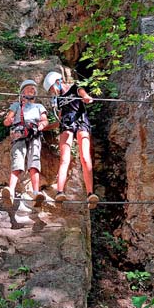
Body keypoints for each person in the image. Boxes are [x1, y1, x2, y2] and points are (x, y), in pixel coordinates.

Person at [43, 71, 99, 209]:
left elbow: (84, 95)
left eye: (51, 89)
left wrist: (87, 98)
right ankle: (60, 192)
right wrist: (45, 128)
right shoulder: (59, 99)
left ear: (57, 81)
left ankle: (90, 193)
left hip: (80, 122)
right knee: (64, 159)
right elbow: (60, 120)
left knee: (85, 158)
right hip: (67, 124)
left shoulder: (75, 88)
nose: (52, 92)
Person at [0, 79, 49, 207]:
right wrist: (9, 120)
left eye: (33, 89)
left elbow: (45, 120)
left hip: (34, 134)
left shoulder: (39, 107)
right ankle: (10, 191)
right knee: (18, 161)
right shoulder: (16, 105)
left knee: (34, 162)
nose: (31, 90)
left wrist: (42, 124)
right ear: (22, 93)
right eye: (28, 89)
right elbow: (6, 121)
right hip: (19, 134)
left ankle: (36, 192)